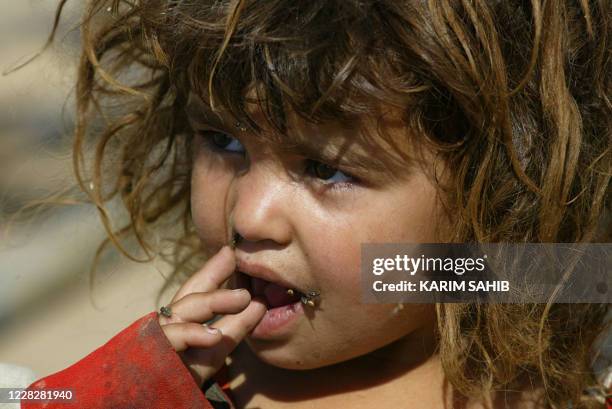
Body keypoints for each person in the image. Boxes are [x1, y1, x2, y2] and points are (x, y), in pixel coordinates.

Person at [21, 0, 611, 408]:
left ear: (493, 193)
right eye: (225, 143)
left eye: (326, 170)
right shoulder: (181, 378)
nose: (248, 217)